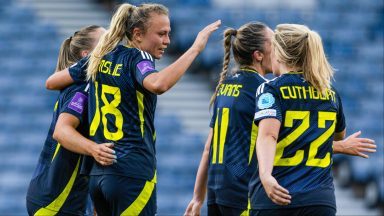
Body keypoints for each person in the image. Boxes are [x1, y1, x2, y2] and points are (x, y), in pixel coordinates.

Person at [185, 23, 376, 216]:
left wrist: (198, 196)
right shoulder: (267, 90)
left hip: (220, 191)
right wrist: (341, 147)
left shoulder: (225, 87)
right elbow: (284, 138)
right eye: (271, 43)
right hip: (249, 192)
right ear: (258, 54)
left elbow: (210, 147)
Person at [84, 3, 220, 215]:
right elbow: (157, 84)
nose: (167, 41)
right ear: (137, 34)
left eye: (169, 34)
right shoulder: (139, 57)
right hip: (131, 172)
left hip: (98, 175)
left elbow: (55, 81)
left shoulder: (101, 57)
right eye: (162, 34)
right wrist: (195, 49)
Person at [250, 24, 374, 216]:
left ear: (280, 54)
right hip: (320, 201)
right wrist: (341, 147)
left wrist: (266, 176)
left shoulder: (270, 89)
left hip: (276, 196)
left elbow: (268, 136)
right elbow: (335, 139)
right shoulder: (330, 93)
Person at [26, 25, 116, 215]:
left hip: (67, 199)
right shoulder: (82, 88)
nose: (113, 46)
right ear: (87, 55)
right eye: (106, 41)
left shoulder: (96, 88)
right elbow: (62, 131)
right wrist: (94, 149)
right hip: (55, 200)